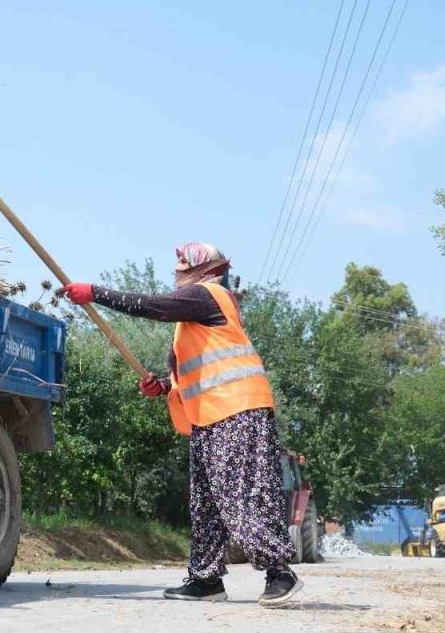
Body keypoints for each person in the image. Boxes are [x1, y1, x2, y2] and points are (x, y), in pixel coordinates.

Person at [57, 243, 302, 606]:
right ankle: (206, 580)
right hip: (209, 416)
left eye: (183, 263)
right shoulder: (194, 315)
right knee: (205, 502)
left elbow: (156, 306)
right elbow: (194, 371)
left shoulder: (209, 294)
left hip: (239, 410)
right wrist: (163, 384)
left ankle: (279, 572)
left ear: (206, 269)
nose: (176, 268)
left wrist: (96, 293)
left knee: (245, 494)